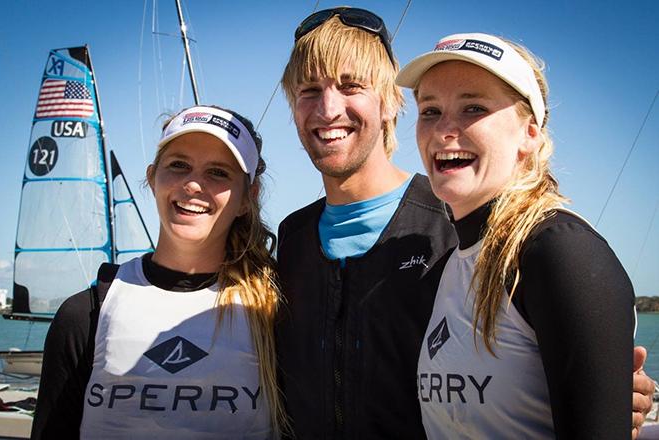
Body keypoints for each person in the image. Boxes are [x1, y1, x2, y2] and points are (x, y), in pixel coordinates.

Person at [276, 7, 655, 439]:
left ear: (391, 103)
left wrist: (599, 389)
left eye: (351, 86)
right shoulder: (291, 238)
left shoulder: (456, 225)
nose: (328, 109)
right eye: (308, 89)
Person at [397, 32, 637, 438]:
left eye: (474, 107)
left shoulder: (558, 251)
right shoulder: (453, 261)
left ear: (530, 133)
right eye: (430, 110)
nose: (444, 130)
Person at [32, 105, 285, 439]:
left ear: (246, 199)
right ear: (152, 178)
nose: (194, 184)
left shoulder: (275, 312)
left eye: (219, 172)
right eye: (179, 165)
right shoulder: (85, 315)